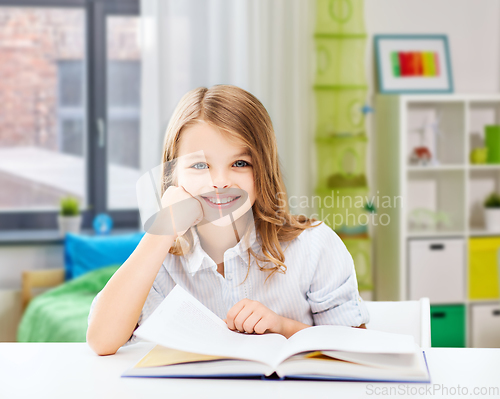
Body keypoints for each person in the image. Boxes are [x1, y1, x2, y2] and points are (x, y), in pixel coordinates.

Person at [86, 85, 369, 356]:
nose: (220, 181)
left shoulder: (314, 246)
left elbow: (357, 348)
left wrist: (282, 327)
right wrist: (162, 229)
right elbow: (101, 340)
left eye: (240, 164)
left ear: (264, 171)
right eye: (200, 165)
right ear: (173, 175)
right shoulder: (159, 259)